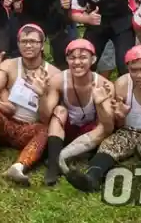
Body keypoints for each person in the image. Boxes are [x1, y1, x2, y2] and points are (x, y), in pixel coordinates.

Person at [65, 46, 141, 192]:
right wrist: (120, 117)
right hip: (128, 130)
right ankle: (92, 177)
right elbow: (117, 125)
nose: (139, 75)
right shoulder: (122, 84)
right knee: (109, 145)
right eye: (134, 70)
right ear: (127, 68)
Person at [0, 24, 61, 185]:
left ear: (42, 45)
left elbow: (45, 117)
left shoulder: (54, 74)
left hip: (30, 129)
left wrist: (41, 95)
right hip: (6, 123)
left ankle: (18, 167)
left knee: (45, 130)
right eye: (24, 41)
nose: (28, 45)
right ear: (18, 44)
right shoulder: (9, 65)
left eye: (33, 42)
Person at [42, 39, 115, 186]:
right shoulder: (58, 80)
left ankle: (60, 158)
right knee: (59, 110)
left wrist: (100, 103)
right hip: (67, 129)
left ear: (93, 60)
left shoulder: (104, 84)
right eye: (72, 58)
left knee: (102, 126)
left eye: (83, 58)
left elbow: (108, 127)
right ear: (67, 60)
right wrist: (41, 95)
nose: (77, 62)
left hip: (90, 132)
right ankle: (54, 167)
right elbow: (45, 117)